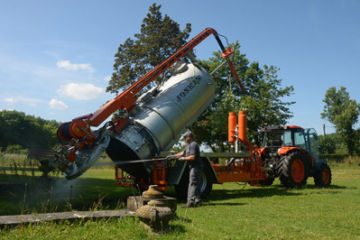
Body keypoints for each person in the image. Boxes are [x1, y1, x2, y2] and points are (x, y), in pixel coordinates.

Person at [172, 130, 203, 207]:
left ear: (190, 137)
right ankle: (197, 201)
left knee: (193, 183)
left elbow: (192, 157)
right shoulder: (189, 145)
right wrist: (172, 156)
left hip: (196, 167)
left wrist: (183, 159)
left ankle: (190, 202)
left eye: (185, 137)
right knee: (196, 183)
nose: (184, 139)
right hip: (193, 167)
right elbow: (182, 153)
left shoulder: (193, 144)